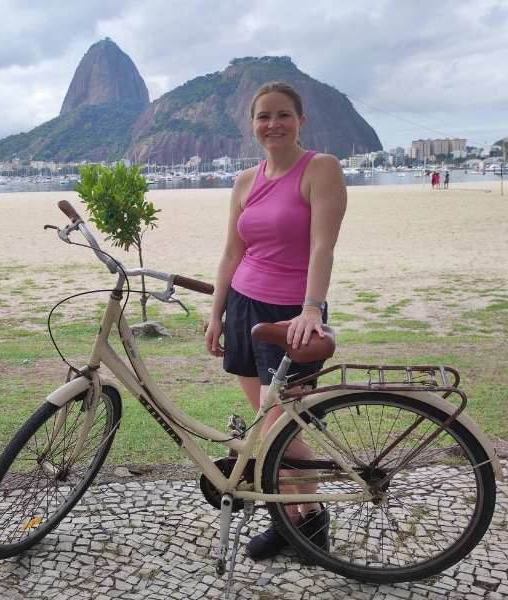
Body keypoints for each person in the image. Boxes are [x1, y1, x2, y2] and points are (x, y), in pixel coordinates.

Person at [204, 81, 347, 561]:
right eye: (263, 116)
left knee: (277, 429)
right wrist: (216, 313)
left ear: (301, 121)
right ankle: (291, 520)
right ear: (253, 125)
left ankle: (312, 518)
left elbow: (322, 246)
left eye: (283, 115)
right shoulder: (245, 180)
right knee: (274, 427)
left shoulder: (320, 169)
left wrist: (312, 308)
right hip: (244, 308)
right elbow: (231, 252)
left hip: (291, 316)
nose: (273, 124)